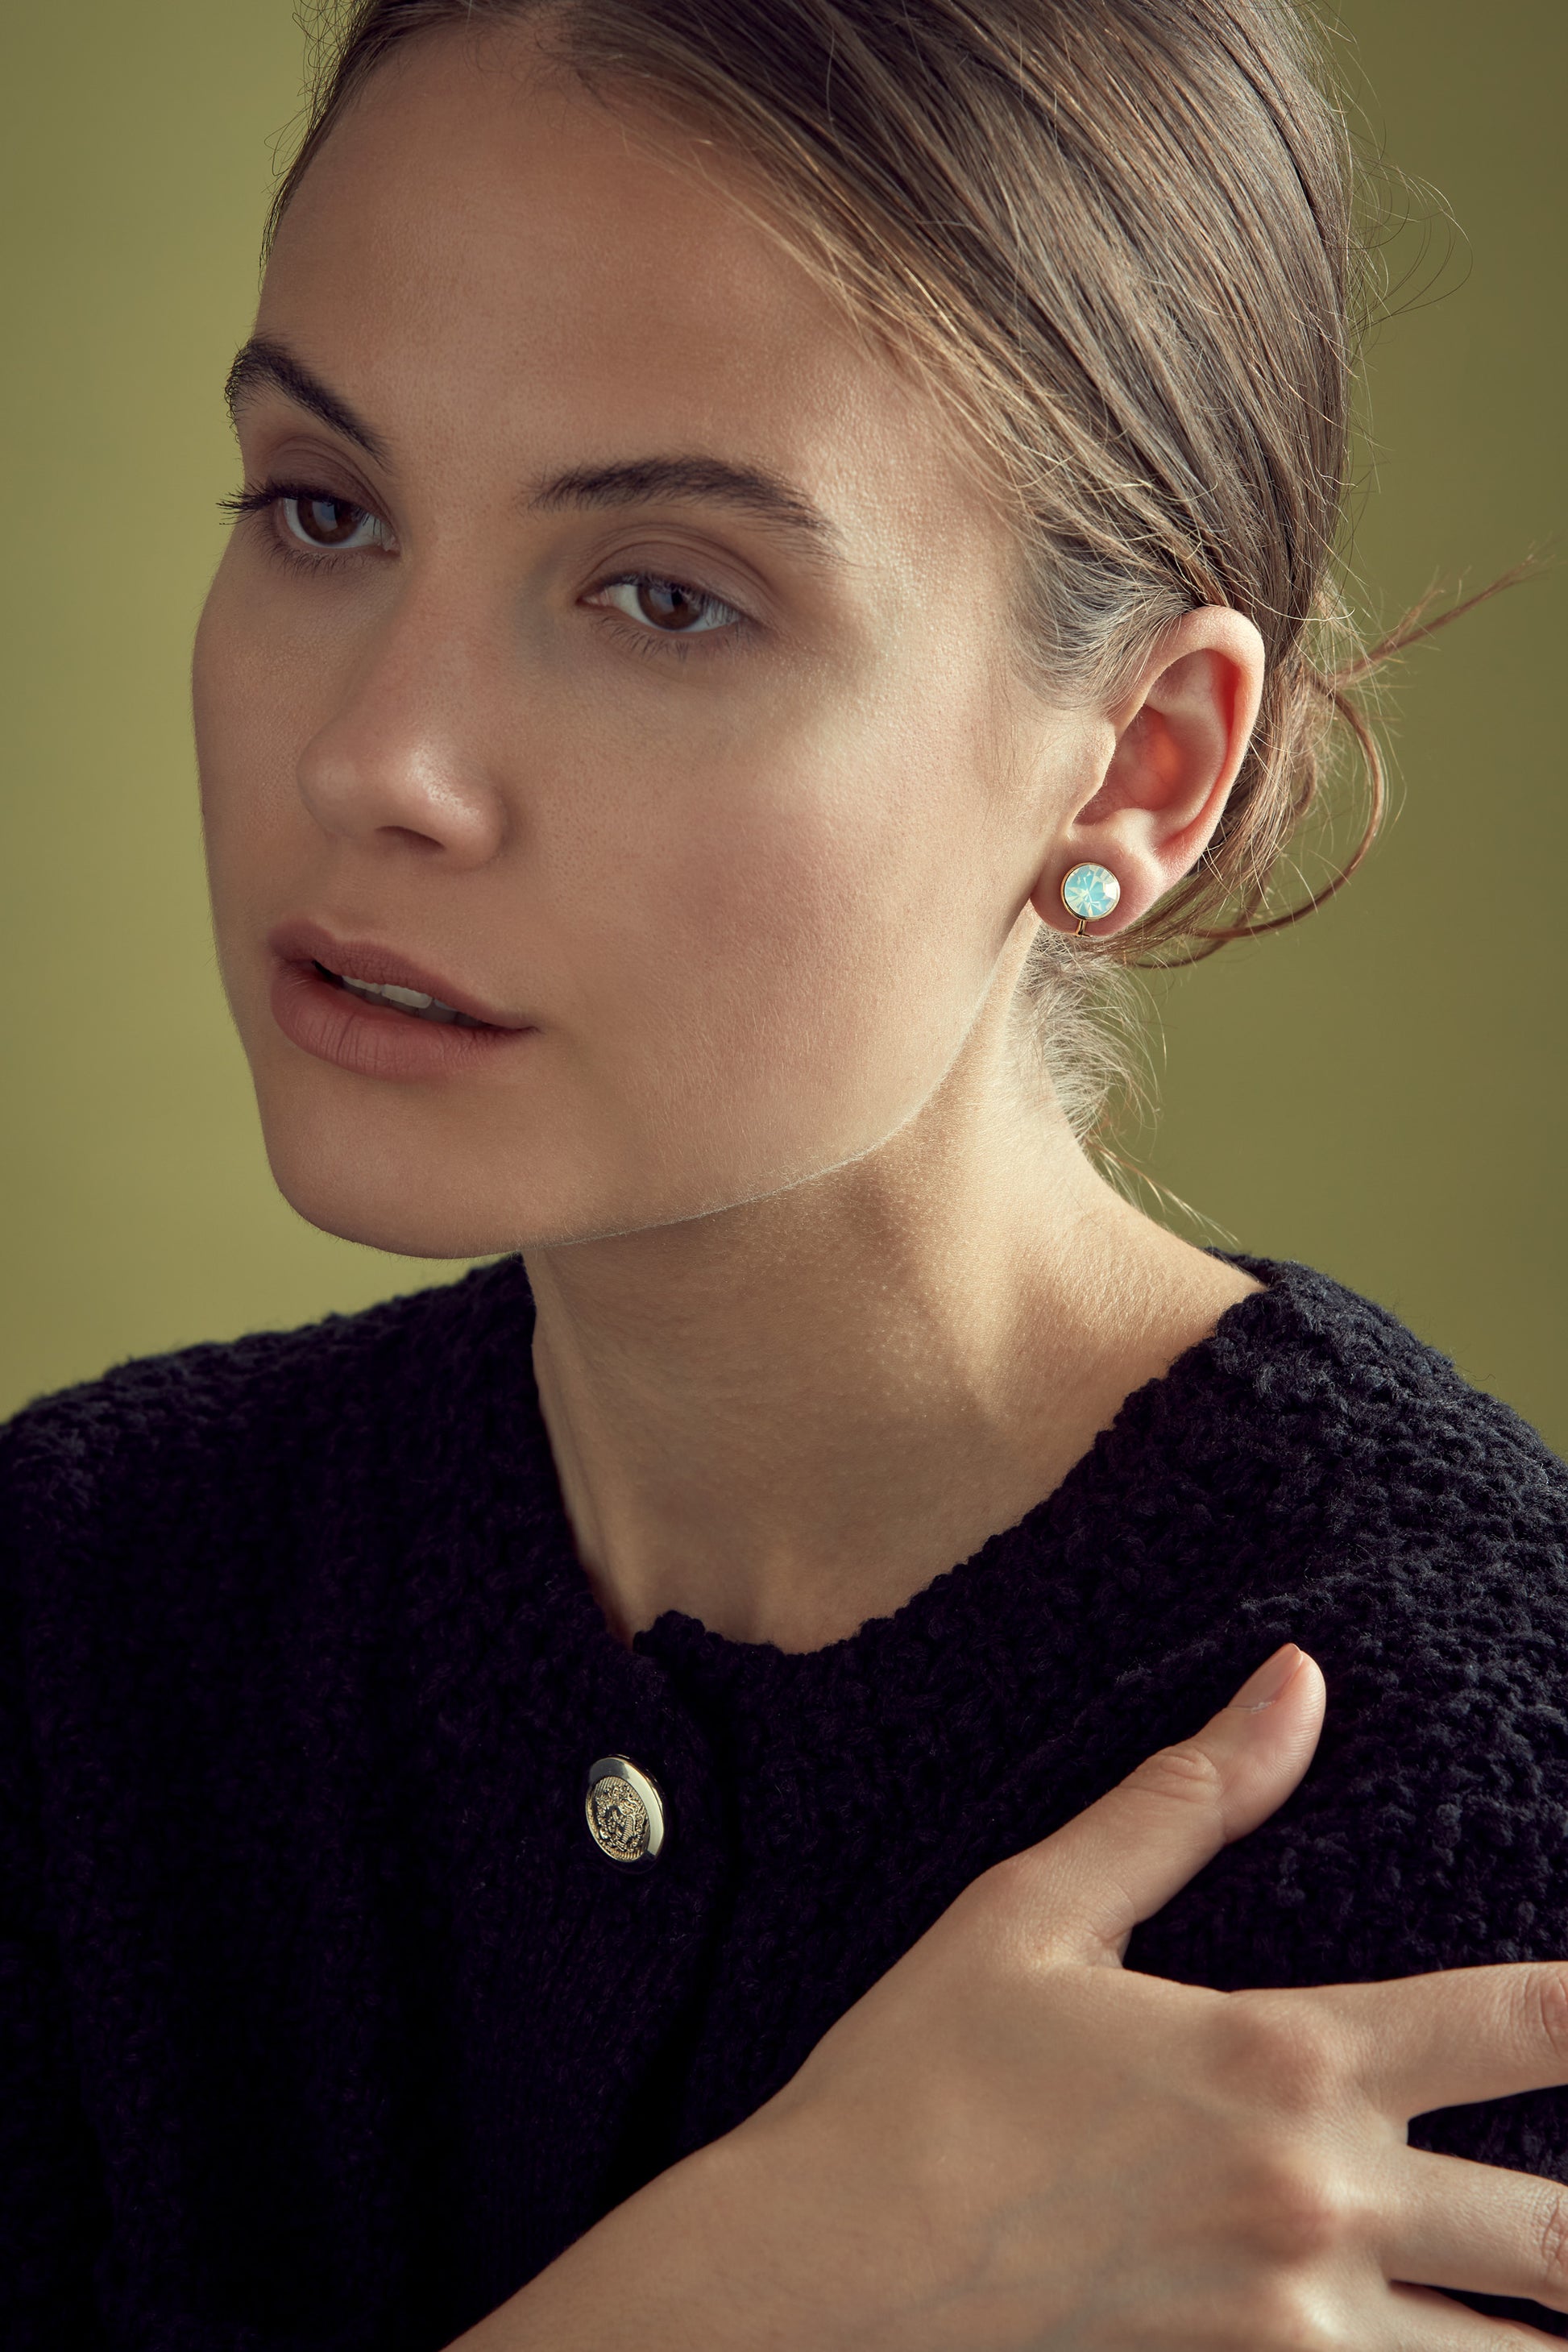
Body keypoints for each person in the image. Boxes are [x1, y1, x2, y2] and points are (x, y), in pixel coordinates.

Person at [3, 0, 1566, 2344]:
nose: (378, 760)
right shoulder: (83, 1600)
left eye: (665, 594)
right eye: (323, 511)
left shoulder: (1431, 1806)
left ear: (1136, 767)